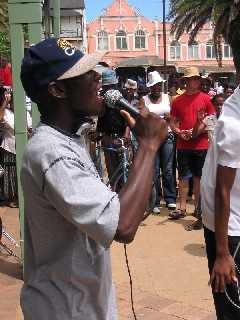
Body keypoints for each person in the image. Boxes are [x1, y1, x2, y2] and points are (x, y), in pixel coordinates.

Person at [19, 37, 168, 320]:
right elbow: (123, 226)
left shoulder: (70, 139)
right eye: (86, 73)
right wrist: (148, 147)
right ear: (58, 89)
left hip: (80, 304)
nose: (98, 77)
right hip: (67, 309)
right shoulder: (53, 153)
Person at [201, 86, 240, 319]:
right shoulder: (234, 122)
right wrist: (223, 254)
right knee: (232, 309)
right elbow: (222, 191)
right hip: (230, 229)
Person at [169, 67, 215, 220]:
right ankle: (182, 207)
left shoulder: (206, 98)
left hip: (201, 144)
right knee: (183, 177)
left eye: (198, 79)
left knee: (198, 177)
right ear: (186, 81)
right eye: (194, 78)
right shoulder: (177, 101)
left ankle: (198, 207)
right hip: (183, 144)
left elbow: (211, 120)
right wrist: (179, 132)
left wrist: (196, 131)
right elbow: (173, 122)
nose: (197, 81)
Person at [185, 93, 225, 231]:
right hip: (211, 159)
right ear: (213, 106)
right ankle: (200, 219)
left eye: (222, 104)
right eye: (217, 104)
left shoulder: (231, 119)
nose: (220, 107)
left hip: (227, 160)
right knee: (206, 187)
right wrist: (198, 120)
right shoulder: (209, 119)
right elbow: (195, 134)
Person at [138, 71, 176, 212]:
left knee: (168, 169)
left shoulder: (168, 98)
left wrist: (170, 117)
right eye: (154, 85)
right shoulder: (144, 100)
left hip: (167, 136)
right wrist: (149, 117)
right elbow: (139, 117)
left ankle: (170, 198)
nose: (156, 88)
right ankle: (154, 201)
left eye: (159, 85)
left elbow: (176, 116)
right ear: (150, 87)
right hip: (151, 138)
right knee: (154, 170)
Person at [96, 70, 131, 184]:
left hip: (122, 136)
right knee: (112, 170)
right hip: (107, 138)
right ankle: (117, 195)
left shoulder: (123, 94)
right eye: (107, 86)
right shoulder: (102, 96)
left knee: (126, 168)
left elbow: (128, 114)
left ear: (115, 84)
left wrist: (127, 133)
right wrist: (98, 132)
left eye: (112, 86)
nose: (109, 89)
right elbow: (101, 117)